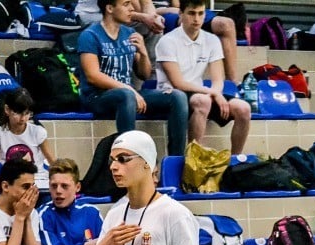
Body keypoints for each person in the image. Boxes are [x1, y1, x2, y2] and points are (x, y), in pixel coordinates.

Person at [78, 0, 187, 156]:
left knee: (177, 96)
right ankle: (128, 155)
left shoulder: (129, 34)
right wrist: (127, 88)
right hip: (96, 96)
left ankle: (176, 160)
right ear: (109, 8)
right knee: (127, 95)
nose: (131, 9)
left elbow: (144, 74)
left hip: (126, 94)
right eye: (126, 4)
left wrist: (143, 53)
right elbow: (92, 76)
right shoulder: (90, 35)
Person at [155, 0, 251, 156]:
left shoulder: (211, 40)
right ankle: (195, 159)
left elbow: (218, 79)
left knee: (243, 108)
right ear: (181, 14)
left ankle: (235, 161)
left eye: (201, 14)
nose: (196, 19)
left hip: (200, 92)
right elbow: (178, 83)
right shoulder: (167, 41)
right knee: (203, 100)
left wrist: (216, 92)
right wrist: (213, 93)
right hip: (173, 94)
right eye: (191, 13)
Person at [39, 159, 104, 245]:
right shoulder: (44, 215)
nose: (58, 191)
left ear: (77, 187)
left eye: (64, 186)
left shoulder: (91, 212)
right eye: (54, 186)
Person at [160, 0, 240, 81]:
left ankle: (232, 83)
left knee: (226, 24)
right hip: (166, 12)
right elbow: (175, 5)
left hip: (190, 6)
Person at [0, 88, 55, 191]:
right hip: (12, 182)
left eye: (26, 113)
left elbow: (52, 162)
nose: (22, 118)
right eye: (18, 113)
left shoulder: (38, 132)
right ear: (7, 110)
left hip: (37, 181)